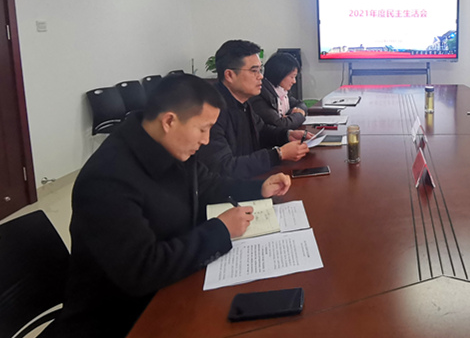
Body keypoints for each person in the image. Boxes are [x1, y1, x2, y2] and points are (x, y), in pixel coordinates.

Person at [41, 74, 292, 338]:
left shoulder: (167, 144)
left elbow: (207, 184)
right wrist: (220, 230)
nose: (206, 140)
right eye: (203, 129)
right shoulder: (107, 180)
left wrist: (258, 189)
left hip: (171, 288)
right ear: (169, 121)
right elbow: (142, 270)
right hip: (122, 317)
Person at [196, 40, 310, 179]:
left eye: (260, 70)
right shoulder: (211, 111)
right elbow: (224, 167)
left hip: (251, 180)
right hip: (231, 188)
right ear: (230, 75)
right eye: (254, 71)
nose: (261, 76)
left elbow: (261, 131)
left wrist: (287, 135)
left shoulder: (243, 102)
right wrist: (278, 154)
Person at [250, 52, 308, 129]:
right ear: (280, 74)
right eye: (292, 77)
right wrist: (299, 115)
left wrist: (293, 114)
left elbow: (300, 104)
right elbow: (280, 125)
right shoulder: (260, 95)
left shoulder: (282, 92)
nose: (294, 81)